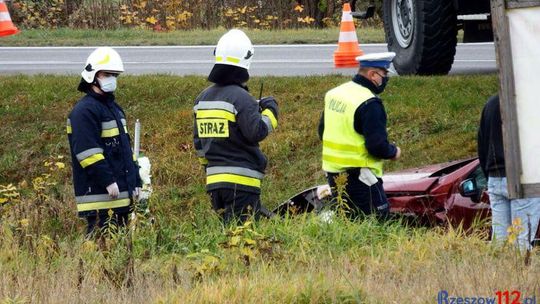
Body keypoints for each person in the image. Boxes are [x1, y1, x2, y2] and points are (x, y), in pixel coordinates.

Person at [193, 29, 279, 224]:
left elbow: (198, 144)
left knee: (228, 237)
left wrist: (209, 169)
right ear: (246, 59)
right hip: (242, 184)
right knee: (243, 240)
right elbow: (256, 131)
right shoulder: (242, 98)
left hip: (214, 185)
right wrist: (270, 111)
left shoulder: (202, 99)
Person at [67, 47, 142, 235]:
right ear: (93, 75)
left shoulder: (114, 110)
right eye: (107, 74)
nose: (112, 79)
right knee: (101, 248)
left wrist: (136, 180)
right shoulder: (84, 111)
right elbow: (87, 152)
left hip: (121, 198)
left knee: (121, 253)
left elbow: (125, 151)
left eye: (115, 75)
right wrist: (108, 181)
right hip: (100, 196)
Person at [318, 52, 401, 219]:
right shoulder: (370, 103)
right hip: (362, 176)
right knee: (376, 220)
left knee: (347, 220)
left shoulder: (335, 93)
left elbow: (322, 131)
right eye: (384, 74)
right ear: (372, 75)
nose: (385, 79)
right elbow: (376, 146)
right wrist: (393, 152)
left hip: (334, 174)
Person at [478, 95, 540, 250]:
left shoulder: (491, 104)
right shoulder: (528, 102)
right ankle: (520, 273)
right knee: (521, 241)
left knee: (500, 242)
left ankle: (500, 273)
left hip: (495, 176)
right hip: (524, 177)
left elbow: (482, 144)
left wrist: (489, 175)